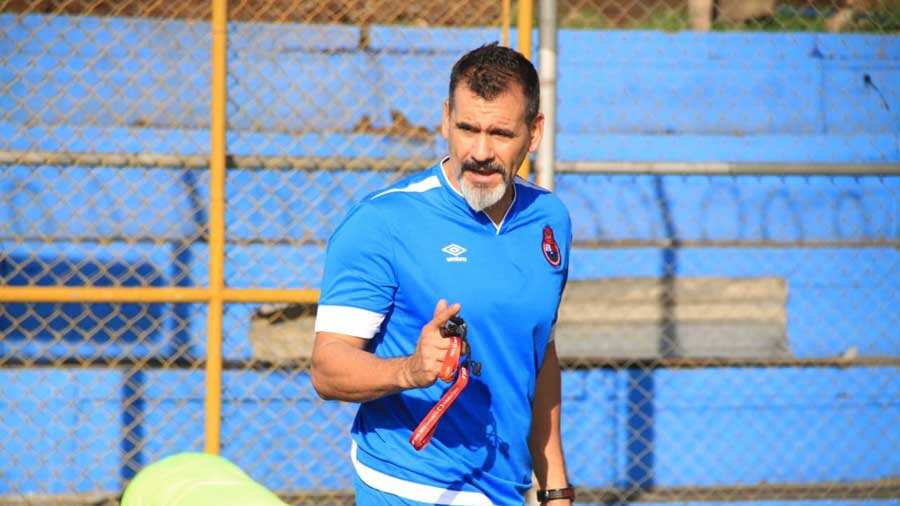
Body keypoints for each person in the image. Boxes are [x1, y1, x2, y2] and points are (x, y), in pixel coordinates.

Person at [311, 42, 574, 506]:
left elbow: (540, 353)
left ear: (534, 133)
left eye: (500, 133)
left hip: (506, 491)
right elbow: (327, 368)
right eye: (467, 128)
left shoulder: (549, 220)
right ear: (445, 118)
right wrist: (409, 370)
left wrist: (555, 488)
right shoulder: (384, 221)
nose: (480, 151)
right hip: (409, 487)